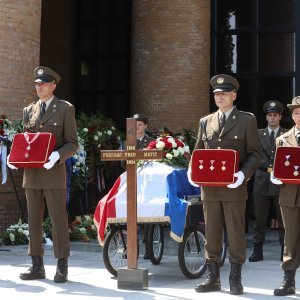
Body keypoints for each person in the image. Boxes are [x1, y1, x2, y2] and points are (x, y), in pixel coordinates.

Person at [188, 74, 261, 295]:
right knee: (211, 231)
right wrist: (192, 169)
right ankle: (213, 278)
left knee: (236, 232)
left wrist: (243, 175)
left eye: (224, 94)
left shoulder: (247, 120)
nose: (219, 97)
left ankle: (235, 278)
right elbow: (198, 151)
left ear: (234, 95)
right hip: (209, 188)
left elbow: (255, 155)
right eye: (217, 94)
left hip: (233, 188)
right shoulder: (206, 121)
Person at [7, 66, 78, 283]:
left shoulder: (65, 109)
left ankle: (62, 265)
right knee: (34, 220)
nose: (39, 88)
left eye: (43, 84)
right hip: (32, 173)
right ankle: (36, 265)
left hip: (53, 171)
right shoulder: (29, 110)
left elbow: (72, 143)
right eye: (37, 84)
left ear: (53, 86)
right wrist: (15, 156)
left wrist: (57, 156)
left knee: (58, 219)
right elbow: (27, 141)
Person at [249, 100, 286, 262]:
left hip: (280, 180)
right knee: (260, 218)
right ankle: (257, 250)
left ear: (280, 117)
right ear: (266, 117)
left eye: (275, 115)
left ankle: (285, 250)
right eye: (270, 115)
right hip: (262, 178)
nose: (272, 118)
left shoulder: (287, 134)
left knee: (283, 218)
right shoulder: (257, 134)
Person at [271, 96, 300, 296]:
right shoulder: (282, 138)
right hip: (289, 194)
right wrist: (275, 175)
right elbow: (279, 164)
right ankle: (288, 280)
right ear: (292, 115)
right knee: (290, 238)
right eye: (297, 112)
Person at [133, 113, 155, 259]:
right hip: (132, 180)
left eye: (140, 124)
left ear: (145, 126)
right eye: (135, 124)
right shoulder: (128, 141)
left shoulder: (152, 142)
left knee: (147, 217)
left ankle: (148, 247)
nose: (137, 127)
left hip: (147, 182)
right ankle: (131, 247)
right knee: (130, 215)